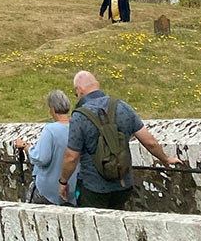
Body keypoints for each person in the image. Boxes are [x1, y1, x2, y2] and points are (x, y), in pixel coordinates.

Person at [59, 70, 181, 209]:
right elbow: (150, 142)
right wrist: (165, 159)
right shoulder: (122, 107)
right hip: (123, 184)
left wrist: (63, 182)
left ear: (79, 90)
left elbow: (71, 157)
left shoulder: (79, 116)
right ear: (97, 85)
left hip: (94, 187)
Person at [15, 91, 79, 205]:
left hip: (49, 190)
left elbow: (41, 158)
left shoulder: (50, 130)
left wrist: (26, 147)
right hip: (72, 188)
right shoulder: (77, 127)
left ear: (53, 109)